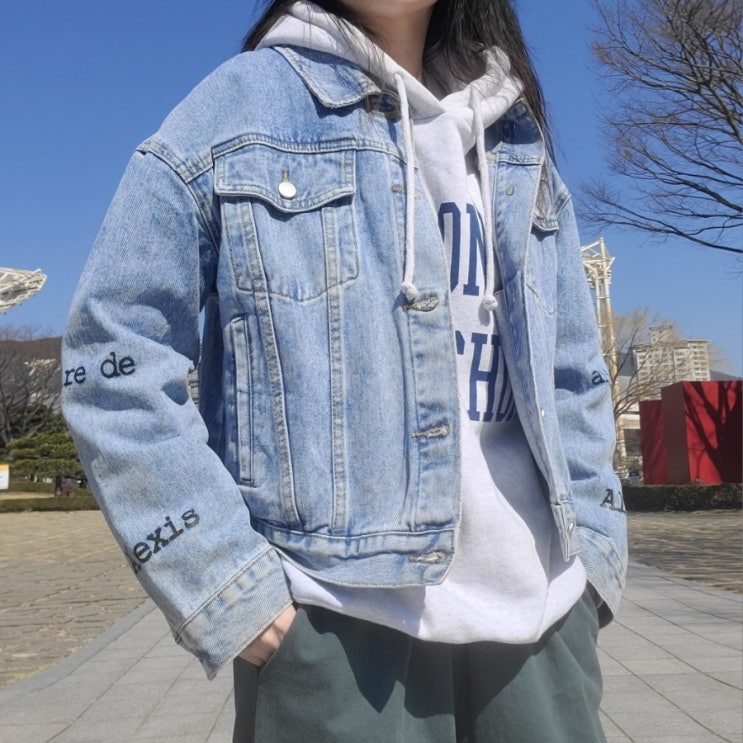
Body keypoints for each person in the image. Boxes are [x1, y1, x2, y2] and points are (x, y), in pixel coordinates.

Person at [62, 1, 628, 740]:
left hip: (544, 623)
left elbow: (573, 370)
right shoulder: (239, 107)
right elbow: (113, 352)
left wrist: (595, 561)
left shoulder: (515, 136)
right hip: (335, 632)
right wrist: (230, 589)